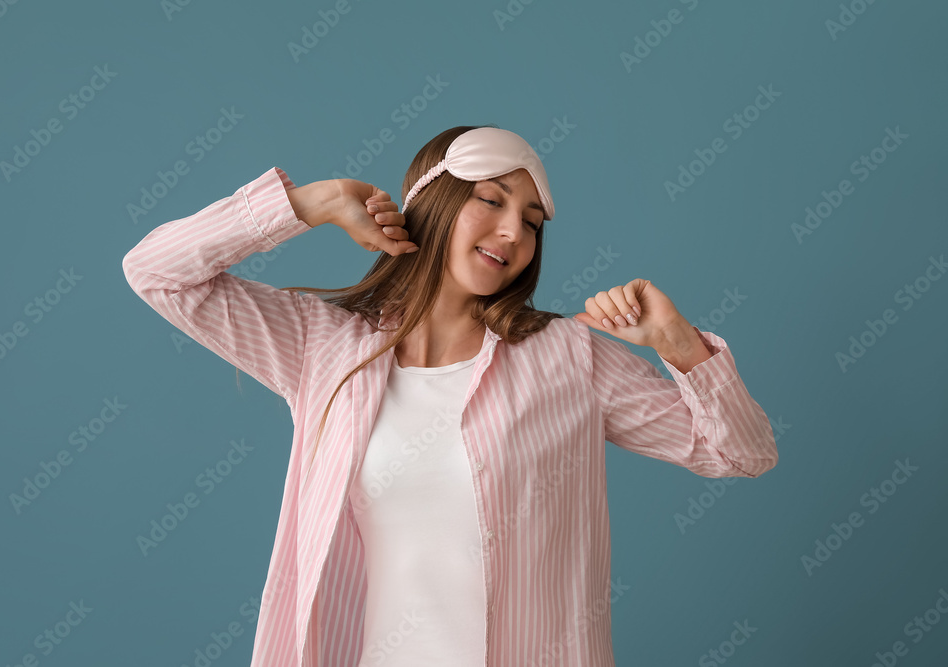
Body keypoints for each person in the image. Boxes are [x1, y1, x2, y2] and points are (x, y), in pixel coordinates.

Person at [122, 124, 779, 666]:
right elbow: (158, 273)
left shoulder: (568, 356)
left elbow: (741, 454)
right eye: (490, 200)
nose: (514, 233)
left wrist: (678, 342)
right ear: (432, 203)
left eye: (532, 221)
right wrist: (311, 203)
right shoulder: (324, 348)